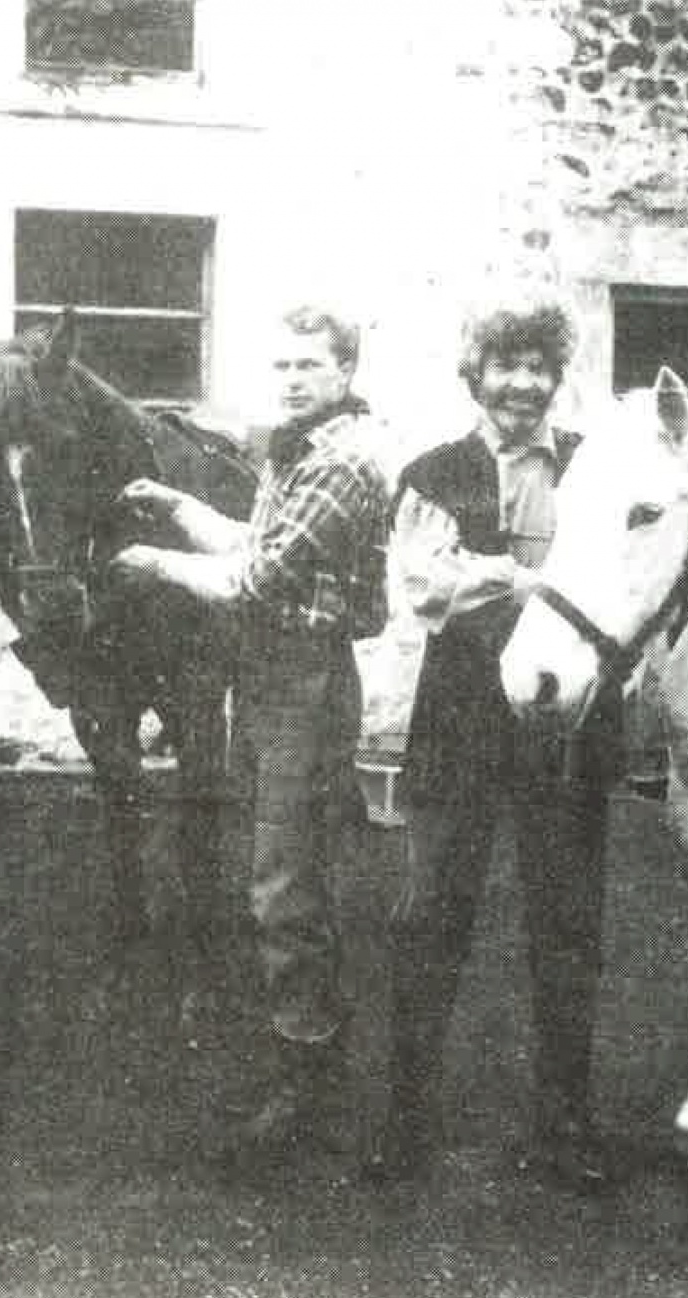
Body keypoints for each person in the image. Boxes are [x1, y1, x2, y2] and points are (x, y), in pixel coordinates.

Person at [110, 305, 391, 1163]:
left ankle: (307, 1077)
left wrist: (156, 561)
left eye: (311, 364)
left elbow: (257, 580)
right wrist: (177, 505)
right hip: (270, 679)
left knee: (282, 884)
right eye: (283, 366)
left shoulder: (342, 461)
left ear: (346, 371)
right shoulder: (298, 450)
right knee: (279, 872)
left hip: (304, 684)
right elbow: (254, 539)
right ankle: (306, 1053)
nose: (293, 379)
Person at [362, 299, 618, 1191]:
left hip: (568, 722)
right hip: (461, 719)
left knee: (568, 924)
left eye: (537, 366)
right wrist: (540, 581)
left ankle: (565, 1126)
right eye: (504, 365)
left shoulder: (594, 468)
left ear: (557, 375)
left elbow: (620, 576)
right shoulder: (433, 472)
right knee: (432, 915)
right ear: (475, 374)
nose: (522, 384)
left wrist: (509, 581)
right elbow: (427, 589)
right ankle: (406, 1118)